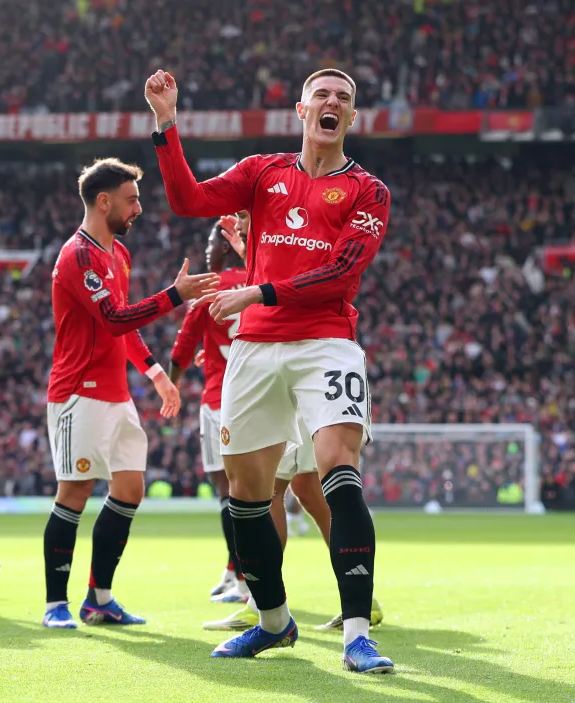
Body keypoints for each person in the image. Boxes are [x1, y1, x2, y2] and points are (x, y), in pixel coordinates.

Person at [146, 67, 395, 673]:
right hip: (256, 350)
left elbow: (341, 272)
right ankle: (274, 623)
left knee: (338, 468)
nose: (332, 103)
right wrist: (166, 123)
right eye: (322, 95)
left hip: (327, 342)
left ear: (352, 117)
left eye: (343, 98)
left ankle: (357, 636)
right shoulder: (262, 172)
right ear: (302, 111)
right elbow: (187, 200)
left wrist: (257, 291)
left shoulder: (368, 191)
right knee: (247, 494)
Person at [41, 158, 219, 629]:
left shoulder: (118, 253)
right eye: (131, 199)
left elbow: (122, 327)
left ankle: (99, 599)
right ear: (104, 202)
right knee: (74, 491)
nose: (138, 208)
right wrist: (174, 295)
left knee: (130, 489)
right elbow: (115, 319)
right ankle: (55, 605)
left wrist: (156, 373)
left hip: (116, 394)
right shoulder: (78, 255)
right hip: (78, 392)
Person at [202, 213, 384, 633]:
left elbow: (296, 288)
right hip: (290, 367)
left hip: (301, 369)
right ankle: (360, 599)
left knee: (282, 489)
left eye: (245, 217)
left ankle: (263, 605)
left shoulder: (297, 233)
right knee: (304, 488)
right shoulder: (268, 250)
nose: (240, 227)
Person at [168, 219, 249, 605]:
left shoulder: (209, 289)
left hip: (220, 402)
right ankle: (235, 570)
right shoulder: (259, 281)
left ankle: (243, 580)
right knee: (257, 494)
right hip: (258, 399)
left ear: (230, 244)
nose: (207, 250)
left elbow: (181, 350)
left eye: (213, 242)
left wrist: (171, 384)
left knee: (228, 494)